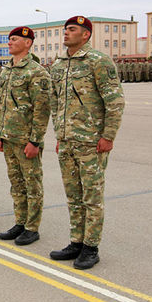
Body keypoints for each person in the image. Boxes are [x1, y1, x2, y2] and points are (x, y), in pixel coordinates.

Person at [49, 16, 125, 270]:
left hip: (92, 142)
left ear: (86, 35)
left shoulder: (99, 61)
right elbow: (55, 102)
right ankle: (76, 241)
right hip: (68, 141)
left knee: (92, 196)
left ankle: (91, 247)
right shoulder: (59, 65)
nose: (66, 34)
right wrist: (60, 134)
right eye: (66, 30)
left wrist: (108, 136)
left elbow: (114, 102)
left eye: (72, 30)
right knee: (73, 195)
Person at [0, 27, 51, 245]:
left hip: (26, 140)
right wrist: (0, 134)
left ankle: (32, 227)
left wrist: (35, 141)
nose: (9, 43)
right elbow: (3, 105)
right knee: (16, 184)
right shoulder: (7, 70)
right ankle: (20, 222)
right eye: (9, 39)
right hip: (9, 138)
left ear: (28, 43)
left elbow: (42, 109)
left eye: (15, 39)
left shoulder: (36, 72)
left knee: (32, 185)